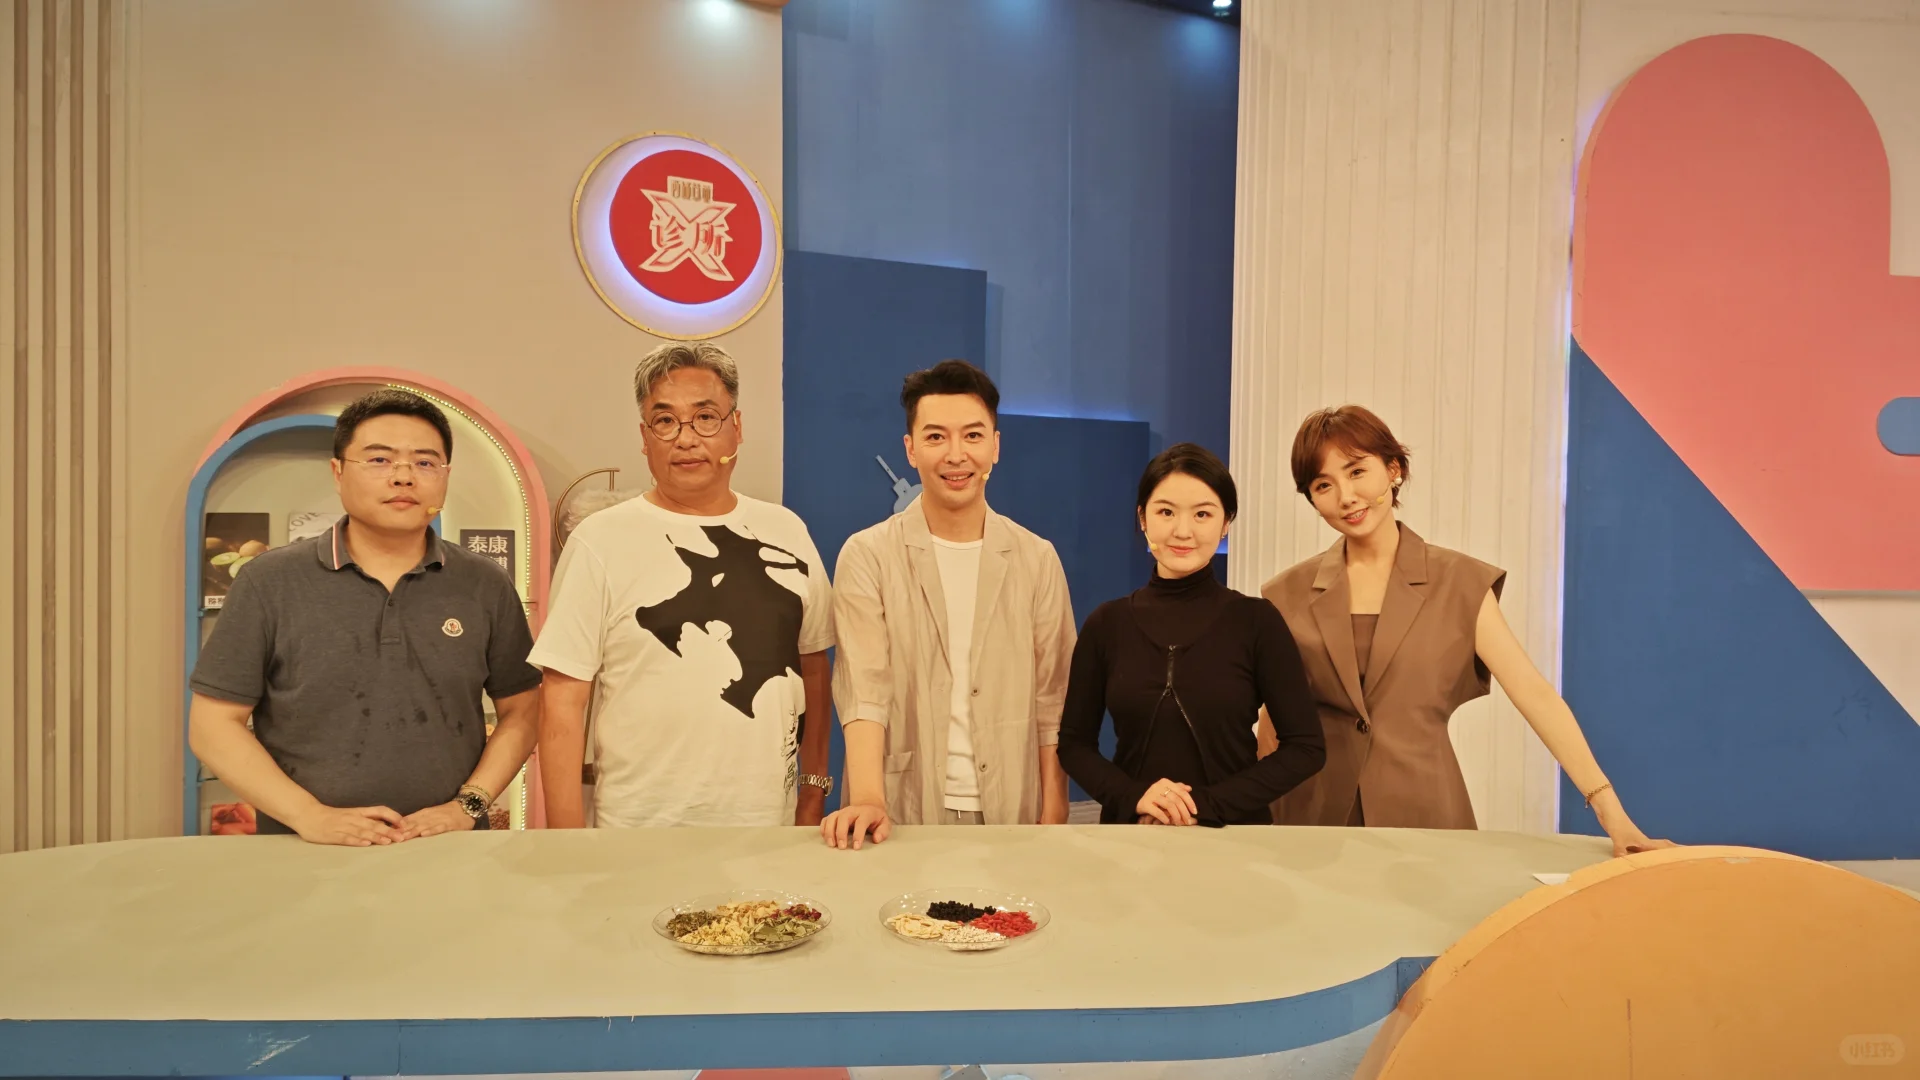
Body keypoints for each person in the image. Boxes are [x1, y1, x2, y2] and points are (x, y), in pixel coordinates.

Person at [1262, 405, 1671, 856]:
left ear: (1394, 470)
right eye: (1323, 485)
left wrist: (1613, 815)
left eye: (1357, 471)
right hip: (1308, 824)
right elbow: (1272, 725)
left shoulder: (1460, 582)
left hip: (1426, 820)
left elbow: (1534, 695)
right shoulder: (1285, 594)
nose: (1346, 496)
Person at [188, 390, 543, 846]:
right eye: (379, 460)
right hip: (302, 849)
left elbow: (522, 713)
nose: (403, 477)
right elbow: (213, 726)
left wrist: (467, 806)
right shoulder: (269, 581)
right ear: (338, 472)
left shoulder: (484, 583)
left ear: (445, 476)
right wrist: (309, 816)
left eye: (425, 462)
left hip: (449, 848)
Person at [532, 341, 834, 828]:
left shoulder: (786, 530)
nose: (686, 438)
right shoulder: (599, 540)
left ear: (737, 426)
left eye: (705, 418)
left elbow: (813, 666)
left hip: (766, 826)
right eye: (665, 420)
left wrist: (814, 791)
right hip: (639, 830)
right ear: (644, 436)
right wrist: (567, 839)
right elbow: (563, 698)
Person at [820, 359, 1076, 848]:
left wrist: (1055, 803)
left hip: (1014, 807)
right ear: (910, 449)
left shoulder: (1036, 558)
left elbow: (1053, 697)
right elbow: (864, 688)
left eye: (973, 436)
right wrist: (869, 798)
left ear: (995, 446)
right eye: (936, 437)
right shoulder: (868, 554)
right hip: (900, 809)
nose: (956, 455)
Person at [1056, 444, 1325, 826]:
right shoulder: (1106, 623)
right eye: (1166, 512)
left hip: (1233, 836)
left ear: (1226, 522)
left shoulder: (1257, 621)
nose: (1183, 531)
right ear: (1143, 518)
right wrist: (1134, 797)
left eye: (1202, 514)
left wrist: (1203, 805)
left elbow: (1306, 747)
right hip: (1131, 838)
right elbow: (1074, 745)